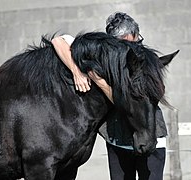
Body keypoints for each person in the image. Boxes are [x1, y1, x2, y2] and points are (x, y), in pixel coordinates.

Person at [51, 12, 167, 180]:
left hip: (149, 138)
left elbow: (135, 98)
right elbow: (58, 41)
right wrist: (78, 72)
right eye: (137, 38)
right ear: (128, 36)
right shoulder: (106, 56)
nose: (138, 42)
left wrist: (97, 79)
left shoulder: (144, 60)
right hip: (118, 140)